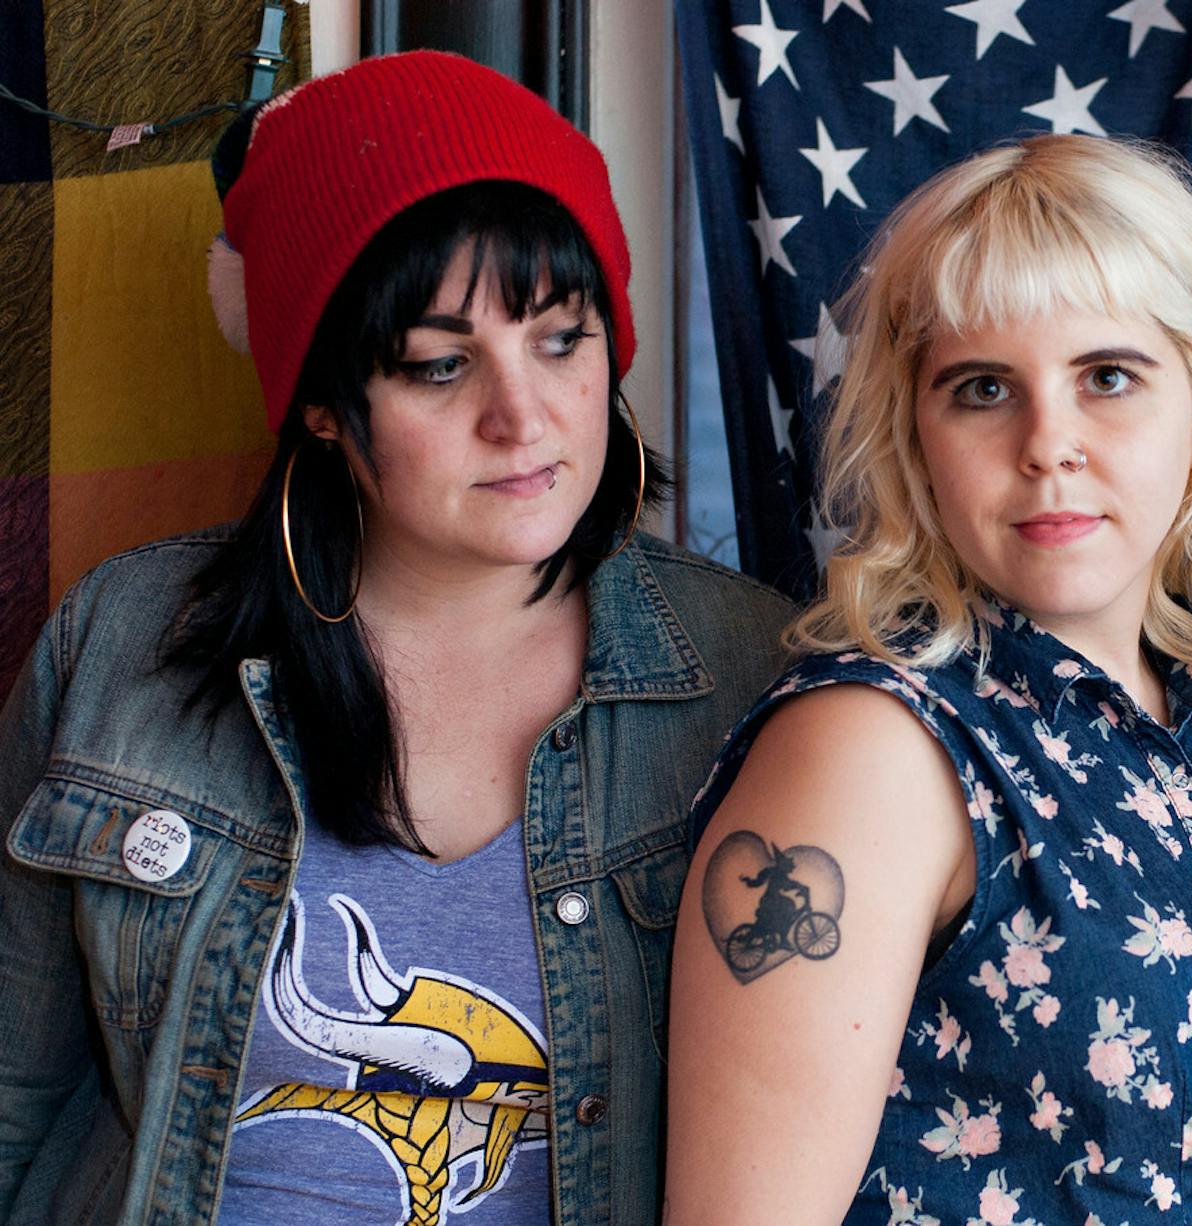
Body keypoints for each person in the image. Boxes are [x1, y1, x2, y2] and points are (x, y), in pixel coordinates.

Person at [0, 51, 793, 1224]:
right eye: (439, 364)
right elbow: (15, 1089)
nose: (523, 418)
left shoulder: (754, 676)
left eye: (561, 340)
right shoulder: (126, 642)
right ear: (322, 403)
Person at [665, 134, 1192, 1224]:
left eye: (1109, 377)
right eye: (983, 387)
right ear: (917, 437)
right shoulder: (871, 747)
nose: (1050, 443)